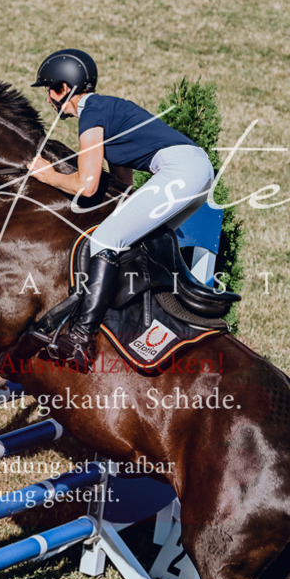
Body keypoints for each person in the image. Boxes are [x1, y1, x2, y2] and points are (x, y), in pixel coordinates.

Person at [27, 49, 214, 371]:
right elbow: (122, 186)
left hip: (181, 171)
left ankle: (81, 338)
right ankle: (153, 322)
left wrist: (48, 175)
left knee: (103, 241)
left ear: (63, 88)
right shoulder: (108, 109)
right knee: (138, 243)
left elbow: (86, 184)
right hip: (197, 171)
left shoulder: (91, 112)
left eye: (49, 90)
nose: (48, 100)